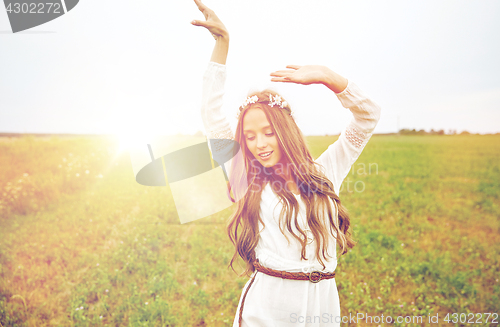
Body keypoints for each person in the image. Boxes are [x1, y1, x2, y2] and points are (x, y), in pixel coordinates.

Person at [191, 0, 381, 326]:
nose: (259, 143)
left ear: (285, 132)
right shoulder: (248, 177)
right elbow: (212, 117)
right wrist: (223, 45)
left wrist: (329, 77)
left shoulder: (325, 172)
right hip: (269, 307)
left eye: (268, 132)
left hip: (323, 305)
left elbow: (367, 117)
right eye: (249, 136)